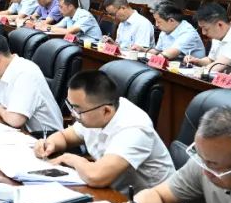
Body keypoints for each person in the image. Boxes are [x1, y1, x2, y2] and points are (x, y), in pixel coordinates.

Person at [33, 70, 174, 192]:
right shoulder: (94, 112)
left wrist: (69, 158)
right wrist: (49, 144)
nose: (73, 114)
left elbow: (96, 176)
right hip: (113, 193)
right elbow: (65, 137)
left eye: (78, 110)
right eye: (72, 107)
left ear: (106, 111)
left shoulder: (134, 128)